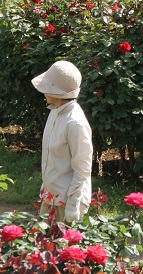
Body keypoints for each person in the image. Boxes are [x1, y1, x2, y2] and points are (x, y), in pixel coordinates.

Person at [31, 61, 92, 224]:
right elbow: (53, 159)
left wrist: (72, 206)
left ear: (55, 92)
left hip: (68, 202)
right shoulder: (55, 112)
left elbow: (82, 170)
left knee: (64, 247)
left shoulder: (75, 123)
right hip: (51, 197)